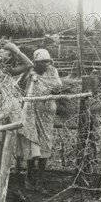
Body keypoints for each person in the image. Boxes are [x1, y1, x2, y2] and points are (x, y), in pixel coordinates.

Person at [0, 41, 33, 202]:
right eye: (4, 52)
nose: (4, 55)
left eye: (8, 54)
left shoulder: (8, 72)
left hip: (0, 116)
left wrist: (16, 50)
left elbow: (29, 64)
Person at [17, 49, 62, 193]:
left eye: (47, 61)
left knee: (45, 145)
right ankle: (29, 177)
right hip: (31, 112)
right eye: (42, 62)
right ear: (35, 62)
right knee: (32, 143)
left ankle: (40, 181)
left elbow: (57, 87)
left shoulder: (53, 71)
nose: (46, 64)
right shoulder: (29, 72)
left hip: (46, 113)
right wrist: (28, 77)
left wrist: (46, 86)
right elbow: (19, 88)